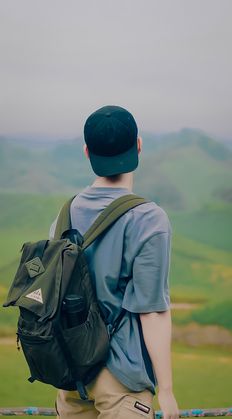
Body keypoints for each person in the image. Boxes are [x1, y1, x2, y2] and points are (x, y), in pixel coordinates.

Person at [49, 105, 180, 419]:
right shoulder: (149, 219)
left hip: (70, 377)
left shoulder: (63, 215)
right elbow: (152, 311)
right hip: (122, 380)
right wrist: (167, 390)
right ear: (138, 146)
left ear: (86, 152)